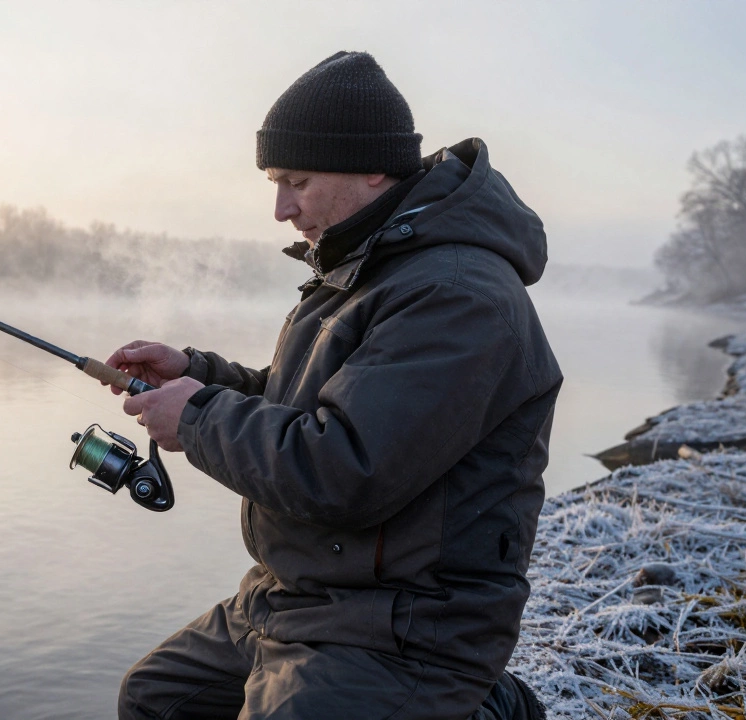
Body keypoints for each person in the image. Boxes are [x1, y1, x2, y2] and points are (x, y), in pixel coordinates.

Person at [103, 51, 562, 719]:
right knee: (157, 699)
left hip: (406, 624)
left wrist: (198, 418)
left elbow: (346, 466)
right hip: (298, 595)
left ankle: (480, 706)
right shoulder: (365, 266)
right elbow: (307, 404)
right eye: (274, 182)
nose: (281, 209)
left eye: (297, 181)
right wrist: (199, 376)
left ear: (372, 167)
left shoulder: (455, 294)